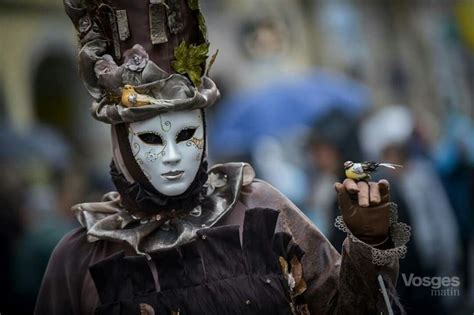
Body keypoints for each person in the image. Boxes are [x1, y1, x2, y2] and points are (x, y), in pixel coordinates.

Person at [35, 1, 410, 314]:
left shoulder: (261, 209)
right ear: (120, 141)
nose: (171, 156)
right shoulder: (79, 260)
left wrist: (368, 245)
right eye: (150, 139)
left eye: (186, 135)